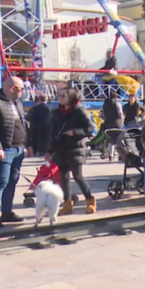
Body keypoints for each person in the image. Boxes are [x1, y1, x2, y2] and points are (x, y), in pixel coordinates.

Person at [0, 77, 32, 228]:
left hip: (18, 148)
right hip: (4, 149)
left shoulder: (17, 102)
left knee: (12, 180)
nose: (23, 92)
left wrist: (27, 144)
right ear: (12, 89)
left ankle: (7, 212)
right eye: (21, 89)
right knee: (1, 181)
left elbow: (22, 124)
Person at [48, 87, 96, 215]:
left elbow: (90, 128)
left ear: (72, 97)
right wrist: (49, 150)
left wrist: (74, 132)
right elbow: (53, 131)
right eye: (60, 95)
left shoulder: (80, 111)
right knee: (63, 178)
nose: (61, 97)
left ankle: (90, 201)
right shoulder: (56, 112)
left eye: (64, 95)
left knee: (78, 176)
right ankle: (67, 204)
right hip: (60, 148)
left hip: (75, 148)